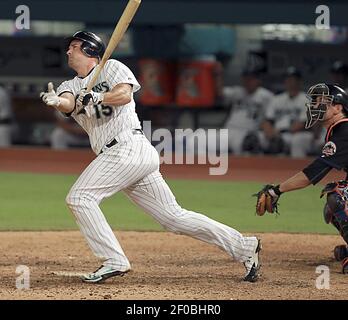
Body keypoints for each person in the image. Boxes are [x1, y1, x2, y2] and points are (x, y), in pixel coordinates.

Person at [40, 31, 262, 283]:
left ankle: (113, 260)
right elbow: (69, 102)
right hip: (121, 155)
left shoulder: (111, 67)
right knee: (173, 218)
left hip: (128, 146)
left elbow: (124, 95)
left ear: (90, 50)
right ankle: (245, 246)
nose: (68, 51)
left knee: (80, 197)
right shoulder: (70, 85)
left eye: (75, 46)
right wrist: (57, 101)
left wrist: (98, 96)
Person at [255, 83, 348, 274]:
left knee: (338, 196)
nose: (314, 106)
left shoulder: (344, 131)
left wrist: (276, 190)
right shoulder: (340, 130)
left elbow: (314, 173)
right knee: (332, 207)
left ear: (338, 108)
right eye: (314, 102)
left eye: (321, 102)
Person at [260, 67, 312, 158]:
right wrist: (269, 131)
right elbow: (267, 121)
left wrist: (279, 132)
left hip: (296, 134)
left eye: (293, 79)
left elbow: (302, 124)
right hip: (276, 133)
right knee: (258, 138)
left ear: (299, 81)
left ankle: (296, 169)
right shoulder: (276, 99)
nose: (290, 82)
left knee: (296, 140)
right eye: (287, 79)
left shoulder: (307, 100)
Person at [222, 69, 274, 154]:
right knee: (197, 141)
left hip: (245, 133)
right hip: (227, 130)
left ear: (258, 80)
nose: (247, 81)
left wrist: (267, 125)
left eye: (251, 79)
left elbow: (270, 118)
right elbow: (219, 93)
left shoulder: (266, 96)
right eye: (245, 78)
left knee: (244, 145)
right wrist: (218, 75)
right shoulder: (237, 91)